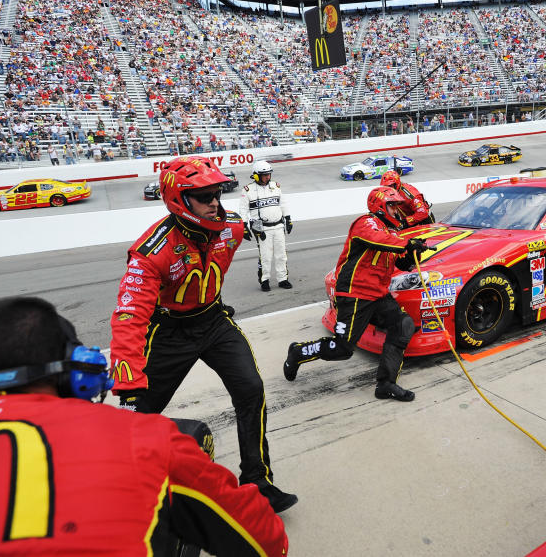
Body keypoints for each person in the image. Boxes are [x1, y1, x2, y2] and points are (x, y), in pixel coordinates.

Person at [0, 297, 288, 556]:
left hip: (210, 321)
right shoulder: (143, 435)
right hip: (174, 337)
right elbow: (265, 542)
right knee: (191, 441)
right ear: (78, 372)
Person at [110, 156, 297, 513]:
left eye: (217, 193)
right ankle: (126, 493)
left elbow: (250, 224)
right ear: (180, 200)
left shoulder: (233, 227)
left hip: (214, 322)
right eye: (204, 196)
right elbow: (129, 314)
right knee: (137, 414)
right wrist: (127, 373)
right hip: (168, 332)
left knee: (251, 389)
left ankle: (258, 481)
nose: (215, 202)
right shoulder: (150, 252)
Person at [282, 186, 428, 402]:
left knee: (402, 325)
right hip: (355, 293)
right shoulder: (366, 222)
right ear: (380, 206)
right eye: (393, 205)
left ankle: (386, 384)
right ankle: (298, 352)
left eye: (398, 206)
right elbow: (376, 239)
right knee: (342, 349)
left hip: (378, 295)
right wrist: (406, 243)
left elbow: (400, 262)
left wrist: (412, 253)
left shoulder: (392, 234)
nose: (397, 211)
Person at [240, 161, 293, 291]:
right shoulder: (248, 190)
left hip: (278, 226)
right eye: (265, 175)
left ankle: (283, 279)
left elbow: (283, 203)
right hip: (261, 228)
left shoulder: (276, 186)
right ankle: (264, 280)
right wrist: (244, 227)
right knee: (265, 256)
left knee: (281, 255)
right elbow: (243, 210)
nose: (268, 177)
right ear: (256, 176)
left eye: (269, 174)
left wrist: (288, 219)